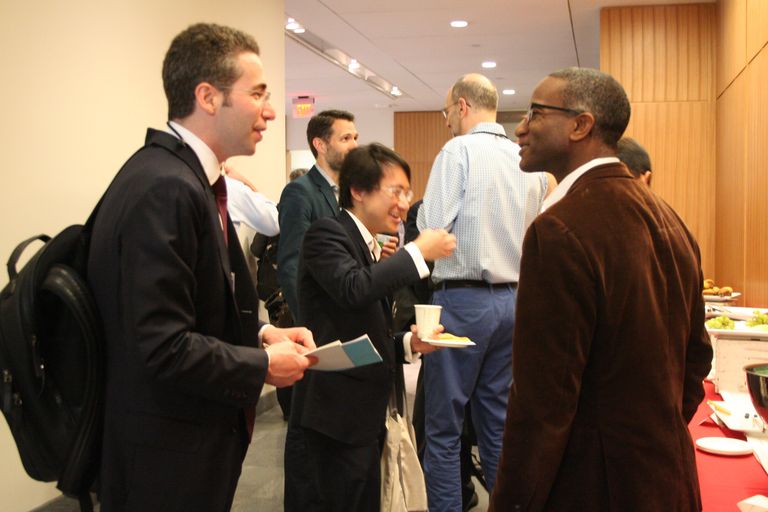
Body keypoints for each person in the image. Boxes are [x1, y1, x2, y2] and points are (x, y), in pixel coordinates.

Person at [87, 23, 316, 511]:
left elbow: (195, 306)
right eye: (257, 93)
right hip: (166, 460)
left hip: (179, 449)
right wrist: (262, 366)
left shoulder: (180, 178)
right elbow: (161, 344)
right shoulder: (166, 187)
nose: (271, 111)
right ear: (208, 97)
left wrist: (259, 336)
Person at [490, 67, 712, 511]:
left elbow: (542, 404)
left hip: (592, 488)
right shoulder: (669, 218)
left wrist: (512, 503)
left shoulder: (560, 229)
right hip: (666, 478)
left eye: (535, 113)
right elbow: (696, 360)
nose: (521, 127)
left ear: (580, 125)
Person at [288, 142, 456, 511]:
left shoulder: (368, 245)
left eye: (407, 193)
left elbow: (361, 327)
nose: (404, 203)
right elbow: (353, 290)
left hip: (362, 416)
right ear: (358, 191)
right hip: (334, 417)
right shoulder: (326, 234)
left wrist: (408, 344)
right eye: (395, 191)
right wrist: (417, 252)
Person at [417, 73, 553, 512]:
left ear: (461, 106)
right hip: (513, 301)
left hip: (463, 301)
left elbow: (431, 225)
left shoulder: (457, 151)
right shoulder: (525, 159)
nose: (447, 124)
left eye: (445, 114)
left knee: (443, 428)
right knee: (497, 423)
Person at [277, 109, 359, 320]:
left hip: (351, 308)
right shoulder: (300, 192)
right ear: (320, 145)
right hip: (321, 318)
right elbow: (292, 265)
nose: (354, 146)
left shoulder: (351, 192)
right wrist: (308, 323)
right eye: (345, 138)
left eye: (355, 138)